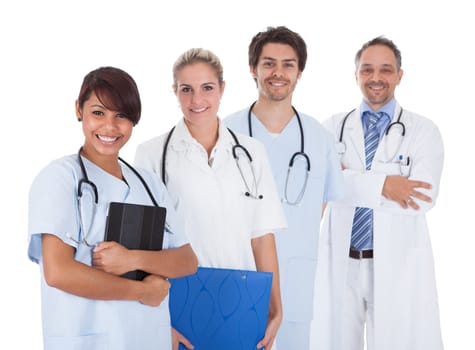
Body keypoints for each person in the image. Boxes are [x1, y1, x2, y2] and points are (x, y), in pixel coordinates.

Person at [27, 66, 198, 350]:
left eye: (121, 115)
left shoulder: (149, 183)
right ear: (78, 110)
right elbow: (58, 272)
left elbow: (187, 260)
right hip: (89, 340)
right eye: (98, 113)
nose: (109, 127)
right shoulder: (60, 178)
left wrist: (133, 259)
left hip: (148, 338)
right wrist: (142, 291)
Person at [134, 48, 287, 350]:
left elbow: (261, 236)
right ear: (175, 92)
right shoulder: (152, 155)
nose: (197, 100)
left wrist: (276, 308)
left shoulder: (251, 152)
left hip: (243, 302)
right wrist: (159, 320)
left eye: (207, 88)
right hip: (179, 303)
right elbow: (143, 247)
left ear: (222, 89)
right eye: (186, 89)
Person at [314, 36, 444, 349]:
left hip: (397, 264)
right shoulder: (330, 128)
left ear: (399, 75)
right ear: (356, 74)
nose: (376, 78)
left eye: (385, 70)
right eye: (367, 69)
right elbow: (320, 188)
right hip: (340, 262)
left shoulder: (423, 131)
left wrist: (346, 179)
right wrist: (386, 184)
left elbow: (421, 199)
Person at [224, 26, 344, 349]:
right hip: (235, 276)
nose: (278, 73)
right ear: (253, 69)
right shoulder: (225, 133)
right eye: (268, 63)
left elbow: (320, 208)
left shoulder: (319, 138)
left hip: (296, 284)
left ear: (299, 72)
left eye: (288, 64)